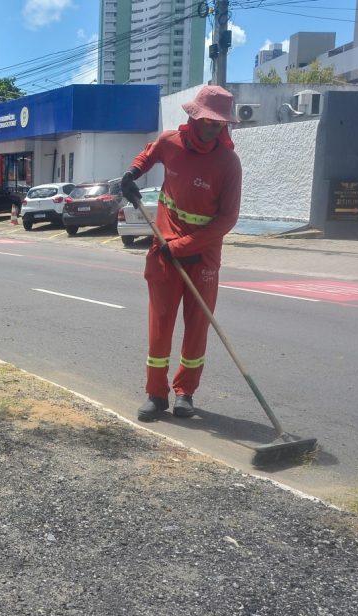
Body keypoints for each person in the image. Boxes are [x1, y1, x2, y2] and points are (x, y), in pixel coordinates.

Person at [120, 85, 242, 422]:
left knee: (197, 326)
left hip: (202, 257)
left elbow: (227, 219)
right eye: (208, 121)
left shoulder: (228, 164)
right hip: (164, 251)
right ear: (194, 116)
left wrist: (182, 246)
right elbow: (149, 154)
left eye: (219, 123)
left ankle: (185, 392)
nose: (213, 128)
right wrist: (132, 173)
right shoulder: (170, 142)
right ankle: (156, 394)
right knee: (160, 326)